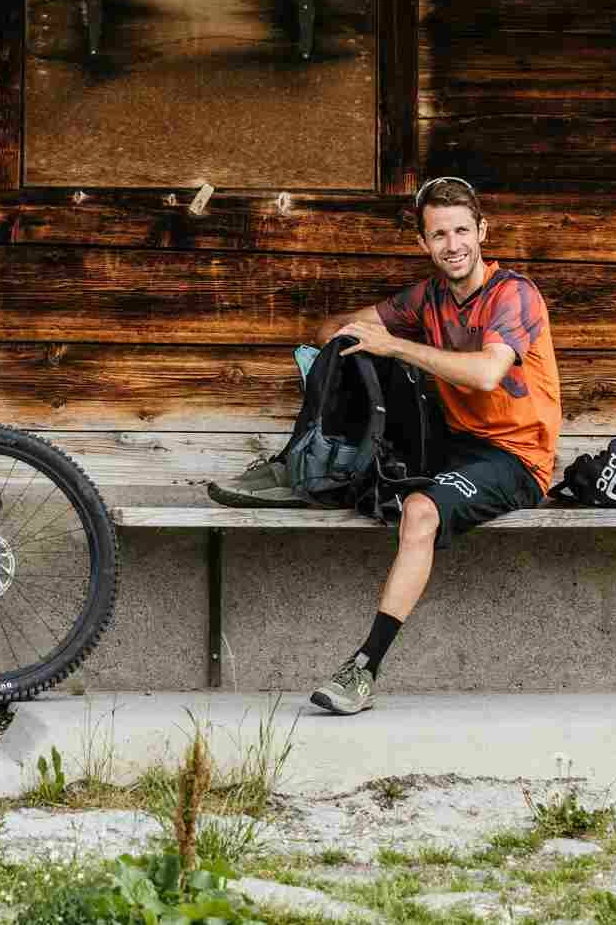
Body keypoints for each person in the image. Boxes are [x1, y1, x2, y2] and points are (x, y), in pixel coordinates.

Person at [207, 177, 562, 714]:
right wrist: (348, 345)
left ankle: (363, 670)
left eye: (462, 231)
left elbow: (487, 374)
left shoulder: (513, 294)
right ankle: (301, 466)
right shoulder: (428, 297)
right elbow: (332, 329)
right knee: (359, 354)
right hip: (451, 440)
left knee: (419, 511)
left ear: (482, 232)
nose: (453, 245)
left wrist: (395, 345)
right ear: (423, 242)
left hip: (513, 457)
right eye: (439, 234)